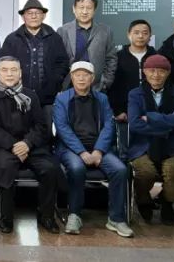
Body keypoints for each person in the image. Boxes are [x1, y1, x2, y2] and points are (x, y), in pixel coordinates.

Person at [0, 56, 64, 234]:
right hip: (3, 146)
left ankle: (46, 216)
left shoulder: (30, 95)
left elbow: (40, 126)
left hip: (31, 146)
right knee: (5, 167)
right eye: (4, 70)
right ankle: (6, 218)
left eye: (13, 70)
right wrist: (14, 145)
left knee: (50, 169)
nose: (9, 74)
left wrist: (27, 143)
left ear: (20, 73)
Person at [54, 61, 132, 237]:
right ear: (72, 77)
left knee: (120, 169)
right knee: (76, 168)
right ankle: (74, 215)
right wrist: (81, 152)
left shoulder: (102, 98)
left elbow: (109, 126)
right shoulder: (62, 99)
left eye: (85, 75)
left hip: (98, 147)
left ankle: (116, 219)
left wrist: (98, 151)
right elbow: (62, 128)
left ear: (92, 78)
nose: (81, 78)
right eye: (77, 75)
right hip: (71, 148)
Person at [126, 55, 174, 225]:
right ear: (144, 72)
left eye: (161, 71)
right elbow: (135, 123)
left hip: (171, 146)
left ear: (168, 73)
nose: (156, 75)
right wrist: (168, 125)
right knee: (144, 172)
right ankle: (143, 199)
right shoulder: (135, 94)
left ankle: (167, 202)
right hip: (142, 147)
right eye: (152, 70)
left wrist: (150, 117)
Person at [0, 0, 70, 122]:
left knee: (46, 130)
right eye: (29, 13)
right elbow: (3, 65)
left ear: (43, 16)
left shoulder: (54, 38)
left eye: (37, 13)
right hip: (18, 96)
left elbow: (62, 63)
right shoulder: (12, 39)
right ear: (23, 17)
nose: (33, 16)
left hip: (48, 98)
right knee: (20, 130)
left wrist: (55, 82)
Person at [57, 0, 117, 91]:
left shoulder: (105, 31)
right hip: (69, 86)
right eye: (81, 7)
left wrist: (105, 82)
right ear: (74, 9)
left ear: (94, 10)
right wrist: (61, 83)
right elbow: (57, 60)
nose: (85, 11)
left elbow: (111, 59)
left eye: (89, 8)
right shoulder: (63, 31)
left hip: (97, 86)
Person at [108, 19, 156, 123]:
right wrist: (117, 111)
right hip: (125, 111)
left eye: (145, 33)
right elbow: (113, 86)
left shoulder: (156, 57)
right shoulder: (118, 57)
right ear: (129, 34)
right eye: (136, 32)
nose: (140, 36)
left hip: (152, 111)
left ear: (150, 36)